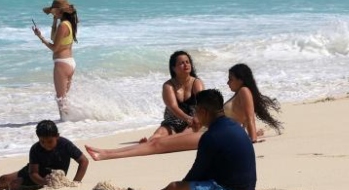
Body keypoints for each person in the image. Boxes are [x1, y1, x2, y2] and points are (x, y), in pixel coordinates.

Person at [91, 89, 256, 190]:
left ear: (204, 112)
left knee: (174, 188)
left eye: (197, 111)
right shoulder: (234, 125)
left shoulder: (211, 137)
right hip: (245, 188)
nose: (195, 114)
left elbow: (196, 173)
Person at [84, 63, 281, 161]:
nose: (228, 82)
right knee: (156, 142)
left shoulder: (244, 91)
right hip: (208, 131)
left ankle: (106, 155)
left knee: (158, 145)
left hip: (211, 135)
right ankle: (107, 152)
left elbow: (249, 119)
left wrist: (253, 138)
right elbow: (243, 120)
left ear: (240, 79)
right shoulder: (241, 93)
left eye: (230, 79)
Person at [0, 120, 89, 190]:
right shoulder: (35, 148)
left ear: (57, 136)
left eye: (50, 141)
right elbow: (33, 173)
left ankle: (6, 187)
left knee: (14, 185)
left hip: (52, 178)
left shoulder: (65, 145)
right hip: (36, 175)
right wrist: (43, 181)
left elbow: (84, 161)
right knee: (3, 178)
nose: (46, 145)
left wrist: (76, 181)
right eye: (42, 141)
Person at [33, 0, 79, 120]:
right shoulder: (68, 24)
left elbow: (54, 47)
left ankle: (65, 122)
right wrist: (54, 22)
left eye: (53, 10)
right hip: (70, 62)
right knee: (64, 98)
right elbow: (55, 38)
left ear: (59, 10)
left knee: (60, 98)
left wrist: (40, 38)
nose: (52, 12)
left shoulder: (62, 26)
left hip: (61, 63)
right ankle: (70, 120)